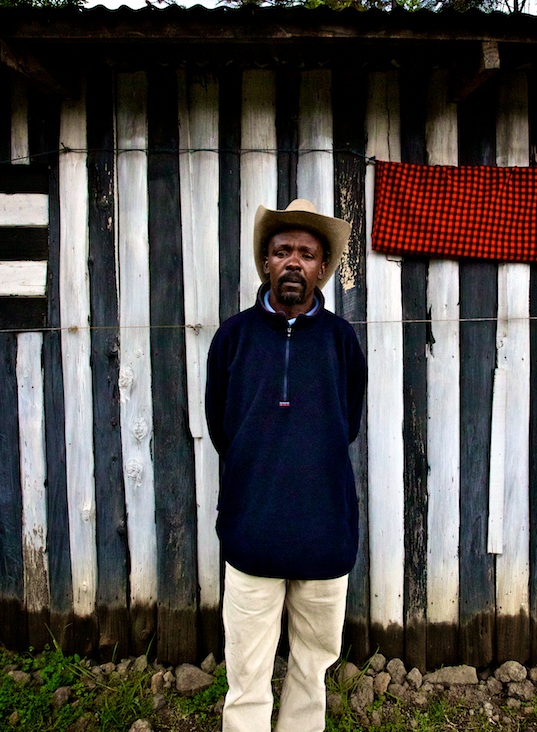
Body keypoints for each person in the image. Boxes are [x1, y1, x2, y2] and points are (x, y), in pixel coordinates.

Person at [205, 199, 367, 732]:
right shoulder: (232, 338)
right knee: (246, 673)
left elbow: (347, 424)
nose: (293, 261)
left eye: (306, 253)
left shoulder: (342, 341)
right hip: (251, 534)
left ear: (322, 268)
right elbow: (221, 428)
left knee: (311, 669)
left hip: (324, 537)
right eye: (282, 251)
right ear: (265, 263)